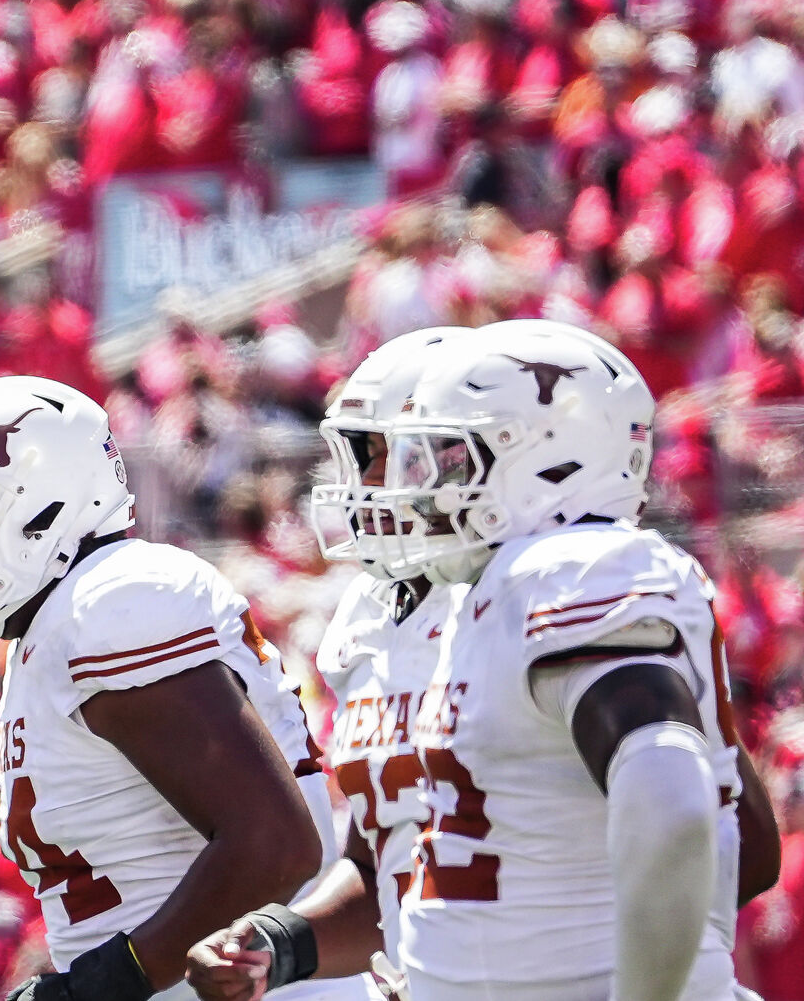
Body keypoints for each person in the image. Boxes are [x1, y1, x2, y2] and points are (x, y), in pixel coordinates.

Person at [189, 320, 780, 1001]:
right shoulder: (379, 618)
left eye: (423, 453)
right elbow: (400, 864)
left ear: (541, 459)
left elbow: (715, 829)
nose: (392, 482)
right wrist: (285, 944)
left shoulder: (571, 575)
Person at [0, 375, 329, 1001]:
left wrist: (99, 987)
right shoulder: (55, 626)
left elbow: (274, 846)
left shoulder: (111, 604)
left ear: (32, 511)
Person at [186, 328, 476, 1000]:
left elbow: (724, 845)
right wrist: (277, 945)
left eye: (378, 453)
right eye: (354, 455)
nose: (358, 483)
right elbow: (383, 873)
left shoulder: (560, 601)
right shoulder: (374, 617)